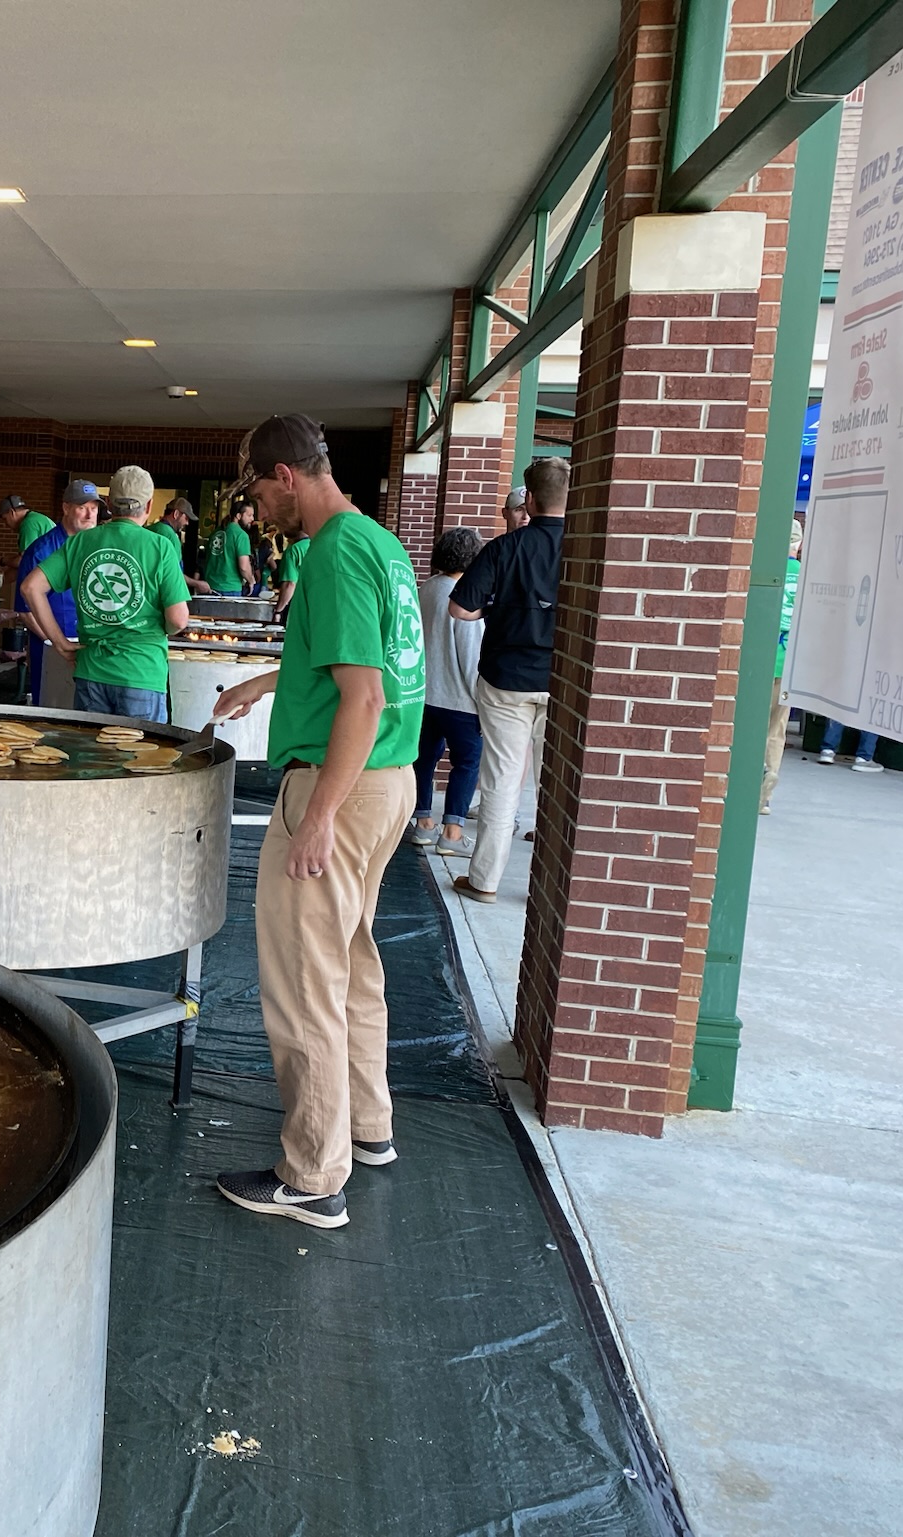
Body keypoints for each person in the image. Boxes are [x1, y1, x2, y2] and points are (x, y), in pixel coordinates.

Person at [209, 414, 424, 1231]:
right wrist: (267, 681)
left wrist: (317, 816)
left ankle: (311, 1174)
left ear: (284, 475)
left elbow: (362, 697)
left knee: (305, 982)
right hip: (390, 780)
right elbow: (361, 670)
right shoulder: (377, 542)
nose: (259, 507)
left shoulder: (329, 553)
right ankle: (367, 1127)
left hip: (343, 785)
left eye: (259, 490)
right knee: (353, 960)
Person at [446, 455, 568, 903]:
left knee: (500, 781)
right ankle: (551, 886)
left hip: (505, 681)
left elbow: (461, 609)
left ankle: (485, 881)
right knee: (554, 783)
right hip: (561, 682)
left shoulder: (504, 547)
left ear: (529, 499)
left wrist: (495, 609)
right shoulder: (585, 550)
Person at [20, 464, 189, 721]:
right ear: (149, 505)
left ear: (108, 502)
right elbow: (178, 620)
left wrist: (60, 642)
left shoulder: (80, 542)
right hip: (141, 671)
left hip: (91, 672)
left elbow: (30, 587)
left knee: (92, 758)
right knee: (141, 759)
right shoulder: (160, 546)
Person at [407, 526, 485, 855]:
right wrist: (482, 700)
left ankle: (423, 824)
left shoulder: (425, 589)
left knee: (423, 760)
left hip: (424, 696)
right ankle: (452, 832)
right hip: (460, 701)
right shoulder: (464, 596)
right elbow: (471, 657)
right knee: (467, 763)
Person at [15, 481, 102, 704]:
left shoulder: (99, 548)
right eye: (82, 507)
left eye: (94, 508)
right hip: (51, 650)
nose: (89, 514)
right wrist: (55, 644)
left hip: (91, 650)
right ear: (65, 508)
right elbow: (25, 611)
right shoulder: (41, 550)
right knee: (52, 711)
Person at [760, 520, 803, 814]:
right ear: (798, 545)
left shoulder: (766, 574)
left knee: (752, 726)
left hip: (762, 662)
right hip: (789, 666)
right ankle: (764, 796)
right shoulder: (807, 579)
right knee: (776, 730)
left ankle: (752, 776)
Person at [201, 503, 257, 594]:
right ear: (239, 516)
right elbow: (244, 567)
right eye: (249, 515)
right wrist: (251, 581)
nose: (252, 519)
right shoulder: (241, 535)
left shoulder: (215, 533)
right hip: (229, 587)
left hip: (209, 586)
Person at [273, 529, 309, 620]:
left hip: (297, 607)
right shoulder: (316, 545)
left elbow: (290, 584)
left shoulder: (293, 550)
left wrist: (278, 610)